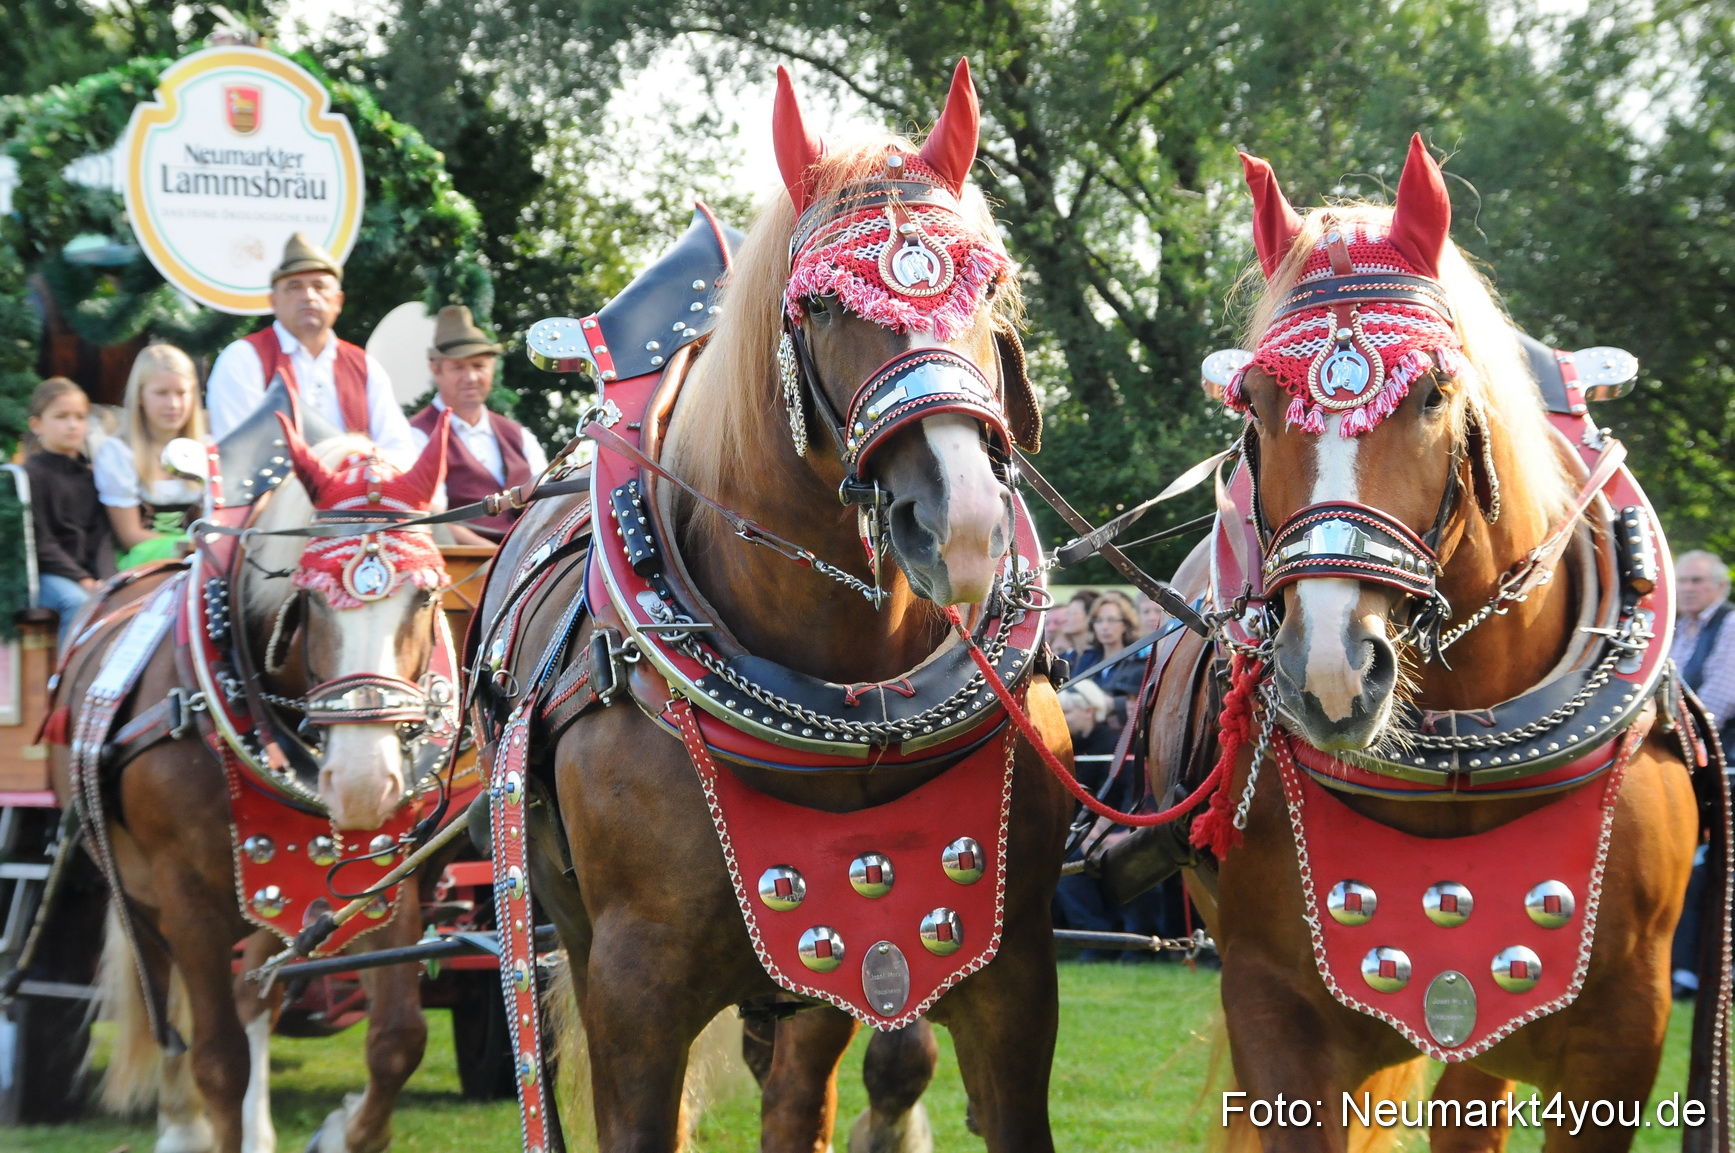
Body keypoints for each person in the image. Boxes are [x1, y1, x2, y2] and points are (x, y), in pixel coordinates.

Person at [204, 233, 416, 463]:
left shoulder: (364, 366)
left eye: (319, 286)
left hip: (355, 496)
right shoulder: (243, 358)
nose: (308, 296)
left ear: (338, 301)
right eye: (294, 287)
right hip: (275, 498)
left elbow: (400, 452)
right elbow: (239, 454)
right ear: (273, 301)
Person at [407, 305, 548, 545]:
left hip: (529, 559)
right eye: (458, 367)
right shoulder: (417, 435)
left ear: (492, 369)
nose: (471, 378)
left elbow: (547, 505)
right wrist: (497, 559)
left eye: (479, 366)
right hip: (463, 568)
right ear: (436, 370)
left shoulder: (519, 435)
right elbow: (433, 518)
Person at [1669, 549, 1734, 1000]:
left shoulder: (1729, 626)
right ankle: (1683, 966)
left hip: (1724, 764)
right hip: (1687, 760)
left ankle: (1711, 969)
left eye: (1695, 581)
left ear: (1719, 586)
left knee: (1719, 870)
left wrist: (1670, 734)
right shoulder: (1673, 628)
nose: (1688, 588)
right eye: (1683, 581)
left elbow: (1719, 698)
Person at [95, 344, 206, 569]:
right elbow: (129, 537)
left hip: (202, 557)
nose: (173, 404)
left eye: (181, 393)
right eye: (161, 393)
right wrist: (189, 547)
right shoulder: (119, 452)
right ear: (140, 396)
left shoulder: (206, 449)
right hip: (145, 560)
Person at [23, 378, 109, 644]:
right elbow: (40, 542)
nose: (72, 425)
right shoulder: (30, 475)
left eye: (80, 417)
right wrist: (83, 579)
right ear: (37, 424)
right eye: (61, 416)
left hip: (88, 575)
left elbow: (102, 535)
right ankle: (69, 682)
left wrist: (106, 579)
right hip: (46, 577)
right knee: (78, 603)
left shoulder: (92, 475)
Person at [1072, 590, 1147, 725]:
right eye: (1099, 621)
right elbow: (1071, 694)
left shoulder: (1137, 661)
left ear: (1125, 625)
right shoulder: (1087, 659)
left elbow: (1136, 706)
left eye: (1111, 620)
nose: (1104, 627)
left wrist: (1113, 703)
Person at [1054, 588, 1099, 667]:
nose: (1064, 618)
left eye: (1072, 613)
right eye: (1067, 612)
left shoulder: (1099, 658)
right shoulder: (1067, 657)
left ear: (1090, 616)